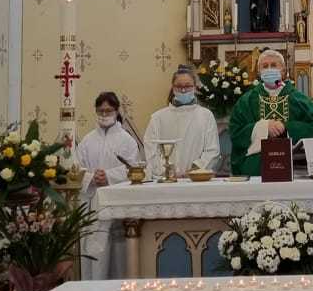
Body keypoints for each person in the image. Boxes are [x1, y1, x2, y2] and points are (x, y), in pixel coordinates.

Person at [74, 92, 140, 280]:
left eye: (108, 110)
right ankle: (93, 287)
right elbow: (76, 167)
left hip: (117, 204)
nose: (104, 114)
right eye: (100, 111)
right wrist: (91, 177)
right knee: (94, 250)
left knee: (118, 254)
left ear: (117, 111)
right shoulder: (88, 140)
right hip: (92, 205)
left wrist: (109, 176)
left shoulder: (127, 140)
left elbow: (133, 168)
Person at [230, 50, 313, 176]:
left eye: (273, 65)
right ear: (259, 72)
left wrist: (287, 128)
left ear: (283, 70)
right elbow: (236, 132)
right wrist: (263, 127)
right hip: (256, 167)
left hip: (294, 165)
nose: (269, 69)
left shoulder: (298, 99)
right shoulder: (247, 101)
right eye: (265, 66)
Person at [145, 66, 220, 179]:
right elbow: (151, 149)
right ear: (173, 88)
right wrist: (167, 171)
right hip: (166, 179)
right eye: (179, 86)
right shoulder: (158, 118)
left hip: (196, 179)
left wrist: (194, 170)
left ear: (195, 87)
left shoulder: (206, 115)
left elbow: (212, 150)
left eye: (187, 86)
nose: (183, 90)